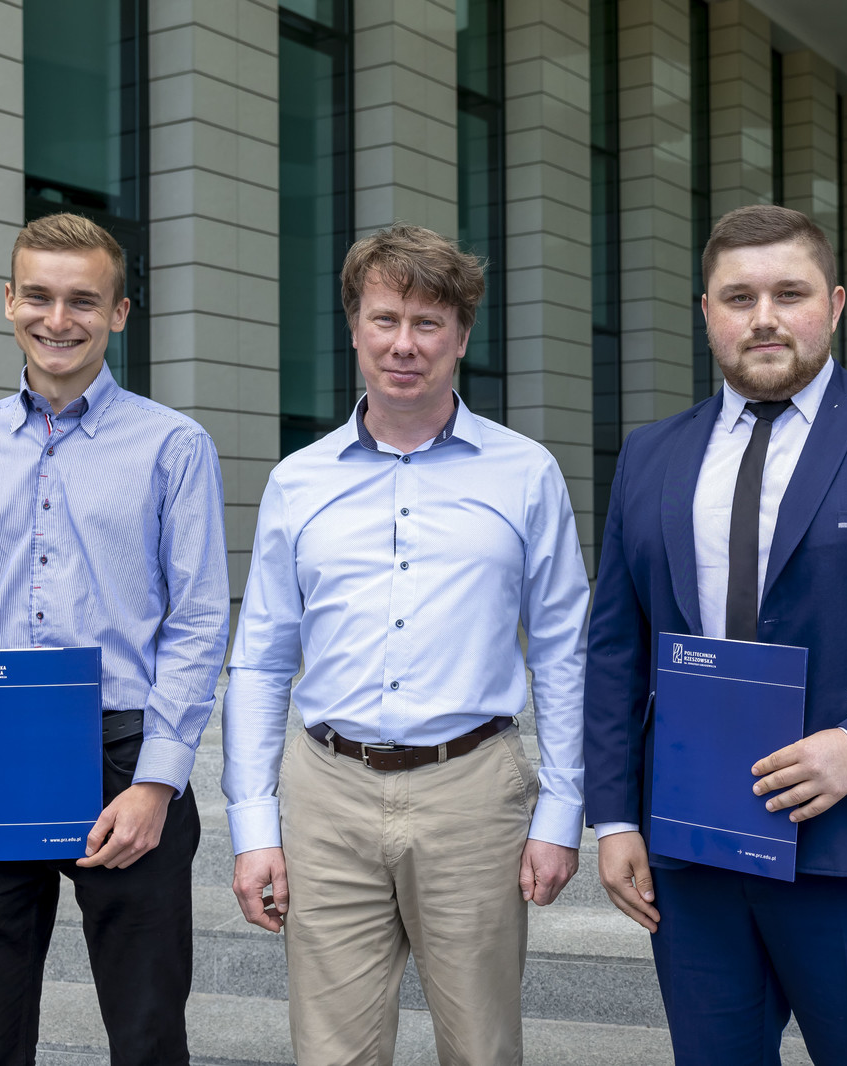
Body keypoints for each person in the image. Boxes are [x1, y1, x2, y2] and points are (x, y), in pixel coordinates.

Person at [583, 204, 847, 1064]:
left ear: (836, 303)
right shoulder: (650, 455)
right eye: (738, 297)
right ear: (705, 311)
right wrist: (615, 818)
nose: (765, 318)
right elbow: (616, 649)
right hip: (694, 855)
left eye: (790, 293)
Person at [221, 223, 589, 1065]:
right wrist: (253, 826)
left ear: (461, 335)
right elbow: (261, 661)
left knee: (482, 1050)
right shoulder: (297, 482)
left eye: (428, 323)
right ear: (354, 327)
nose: (404, 344)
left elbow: (564, 653)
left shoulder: (526, 474)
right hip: (327, 794)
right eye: (385, 319)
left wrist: (562, 812)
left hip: (474, 792)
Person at [0, 212, 231, 1064]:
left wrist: (158, 782)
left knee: (147, 1037)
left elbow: (199, 621)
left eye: (83, 300)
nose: (57, 319)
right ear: (8, 301)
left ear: (119, 313)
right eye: (38, 296)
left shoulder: (174, 447)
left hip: (124, 758)